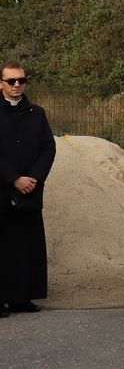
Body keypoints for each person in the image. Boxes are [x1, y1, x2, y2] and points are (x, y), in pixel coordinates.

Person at [0, 61, 56, 319]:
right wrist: (14, 179)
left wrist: (33, 177)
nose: (17, 85)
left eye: (21, 80)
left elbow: (48, 148)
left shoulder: (37, 113)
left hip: (30, 191)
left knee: (27, 245)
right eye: (11, 81)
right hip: (3, 190)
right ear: (1, 83)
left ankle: (22, 297)